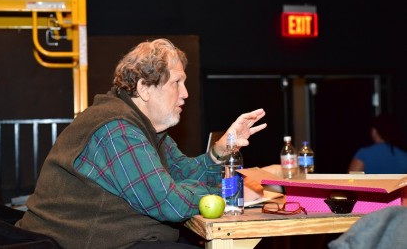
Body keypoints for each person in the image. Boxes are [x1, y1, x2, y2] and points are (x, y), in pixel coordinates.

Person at [15, 38, 267, 249]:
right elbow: (169, 203)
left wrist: (221, 150)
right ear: (145, 88)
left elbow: (184, 173)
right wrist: (228, 194)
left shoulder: (146, 128)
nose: (186, 93)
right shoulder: (118, 130)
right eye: (176, 83)